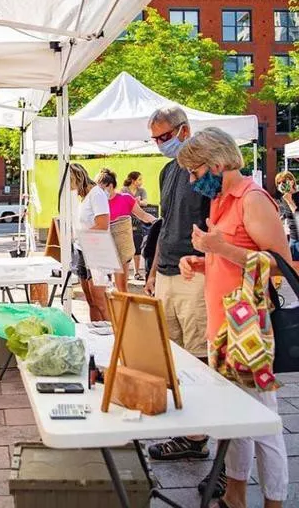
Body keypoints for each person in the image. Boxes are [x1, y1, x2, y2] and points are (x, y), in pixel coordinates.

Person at [177, 127, 289, 508]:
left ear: (219, 163)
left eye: (195, 172)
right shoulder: (221, 200)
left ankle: (274, 501)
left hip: (249, 331)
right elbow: (231, 260)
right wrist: (202, 258)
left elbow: (282, 267)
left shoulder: (253, 199)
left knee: (263, 424)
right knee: (235, 419)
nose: (193, 181)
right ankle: (234, 496)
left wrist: (219, 246)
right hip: (222, 327)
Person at [143, 105, 222, 498]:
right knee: (176, 357)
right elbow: (163, 224)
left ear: (184, 130)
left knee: (201, 357)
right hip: (168, 274)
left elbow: (218, 227)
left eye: (164, 137)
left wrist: (206, 263)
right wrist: (153, 270)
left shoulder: (207, 171)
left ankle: (204, 436)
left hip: (196, 275)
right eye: (155, 139)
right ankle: (189, 431)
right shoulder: (167, 170)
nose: (160, 145)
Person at [96, 169, 156, 292]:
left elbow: (143, 215)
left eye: (101, 188)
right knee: (102, 290)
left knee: (121, 288)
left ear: (110, 186)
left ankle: (123, 310)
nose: (98, 191)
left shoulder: (126, 199)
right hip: (103, 248)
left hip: (122, 248)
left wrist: (158, 222)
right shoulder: (97, 202)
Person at [70, 163, 110, 321]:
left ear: (77, 179)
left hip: (97, 249)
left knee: (100, 302)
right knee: (90, 301)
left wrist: (81, 235)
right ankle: (96, 334)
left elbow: (102, 224)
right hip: (82, 249)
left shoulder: (96, 194)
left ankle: (114, 338)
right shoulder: (83, 197)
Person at [122, 171, 150, 280]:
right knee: (126, 249)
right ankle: (124, 274)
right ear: (133, 181)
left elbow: (145, 203)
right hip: (126, 222)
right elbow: (123, 203)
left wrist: (133, 202)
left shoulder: (142, 191)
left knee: (137, 248)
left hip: (138, 222)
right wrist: (137, 201)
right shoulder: (124, 190)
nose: (141, 182)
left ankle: (136, 272)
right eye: (139, 179)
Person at [275, 171, 299, 261]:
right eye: (279, 183)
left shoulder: (294, 196)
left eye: (284, 182)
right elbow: (287, 213)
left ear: (292, 181)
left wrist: (290, 201)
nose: (281, 184)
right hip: (293, 238)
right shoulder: (284, 198)